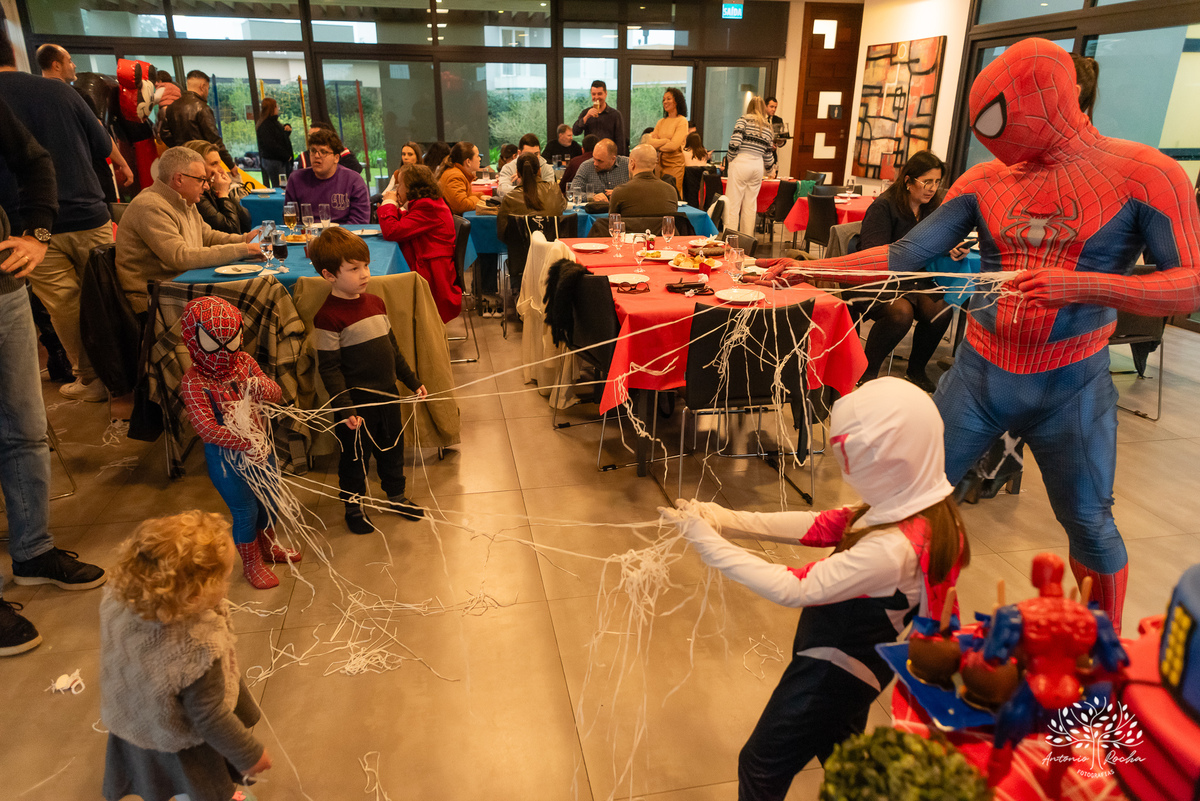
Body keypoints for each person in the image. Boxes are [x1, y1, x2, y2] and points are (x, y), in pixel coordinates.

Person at [758, 38, 1200, 633]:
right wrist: (810, 268)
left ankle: (1103, 665)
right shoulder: (987, 178)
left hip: (1073, 381)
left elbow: (1191, 285)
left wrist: (1083, 287)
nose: (997, 139)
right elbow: (908, 254)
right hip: (982, 371)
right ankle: (872, 635)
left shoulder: (1144, 173)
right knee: (901, 502)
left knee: (1090, 522)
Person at [662, 378, 969, 801]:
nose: (847, 471)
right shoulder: (918, 508)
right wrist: (726, 519)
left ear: (892, 460)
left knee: (761, 763)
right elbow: (820, 524)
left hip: (831, 671)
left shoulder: (895, 549)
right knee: (843, 756)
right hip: (853, 666)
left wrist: (708, 544)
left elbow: (795, 587)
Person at [0, 94, 108, 658]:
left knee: (26, 428)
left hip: (5, 283)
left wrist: (37, 232)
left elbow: (34, 160)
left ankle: (33, 550)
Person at [99, 511, 272, 801]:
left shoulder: (119, 596)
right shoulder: (198, 646)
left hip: (137, 712)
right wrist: (250, 754)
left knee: (164, 774)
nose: (229, 586)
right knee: (196, 778)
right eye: (226, 578)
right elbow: (209, 715)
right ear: (194, 596)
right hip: (177, 732)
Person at [0, 39, 122, 402]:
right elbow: (102, 144)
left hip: (29, 227)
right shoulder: (60, 92)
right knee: (109, 296)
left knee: (64, 306)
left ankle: (92, 379)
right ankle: (129, 376)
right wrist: (125, 164)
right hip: (87, 211)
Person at [178, 297, 301, 589]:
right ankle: (251, 563)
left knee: (270, 502)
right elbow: (206, 429)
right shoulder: (194, 382)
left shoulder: (244, 362)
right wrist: (244, 442)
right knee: (246, 510)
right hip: (227, 461)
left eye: (231, 342)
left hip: (261, 450)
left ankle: (269, 548)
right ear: (193, 340)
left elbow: (275, 393)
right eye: (213, 343)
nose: (223, 352)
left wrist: (260, 385)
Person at [311, 227, 427, 533]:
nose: (364, 274)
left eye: (365, 265)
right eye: (353, 268)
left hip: (387, 396)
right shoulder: (328, 317)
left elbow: (393, 350)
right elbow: (330, 369)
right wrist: (346, 408)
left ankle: (397, 496)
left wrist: (412, 381)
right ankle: (354, 505)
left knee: (392, 449)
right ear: (329, 275)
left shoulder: (376, 303)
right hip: (355, 407)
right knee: (353, 458)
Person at [849, 150, 965, 391]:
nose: (932, 188)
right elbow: (873, 253)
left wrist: (950, 248)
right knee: (901, 313)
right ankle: (867, 372)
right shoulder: (884, 206)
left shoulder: (931, 209)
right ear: (908, 181)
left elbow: (935, 241)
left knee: (941, 311)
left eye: (936, 182)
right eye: (927, 182)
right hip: (876, 278)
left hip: (911, 279)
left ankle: (916, 370)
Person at [116, 146, 261, 315]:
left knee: (259, 287)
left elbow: (207, 236)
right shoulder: (149, 206)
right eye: (201, 179)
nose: (207, 186)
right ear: (179, 179)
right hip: (154, 300)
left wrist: (245, 239)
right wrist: (243, 250)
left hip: (181, 287)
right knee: (256, 293)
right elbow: (181, 257)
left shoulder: (184, 200)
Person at [380, 163, 461, 324]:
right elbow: (404, 225)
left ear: (410, 187)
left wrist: (388, 204)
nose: (396, 189)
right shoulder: (427, 203)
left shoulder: (428, 206)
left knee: (381, 286)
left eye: (399, 184)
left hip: (432, 276)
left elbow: (392, 231)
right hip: (429, 268)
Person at [284, 128, 370, 225]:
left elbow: (359, 221)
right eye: (313, 151)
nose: (317, 155)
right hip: (307, 236)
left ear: (336, 158)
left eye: (323, 152)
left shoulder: (354, 181)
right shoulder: (296, 179)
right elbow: (291, 216)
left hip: (342, 237)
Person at [160, 70, 235, 170]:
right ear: (203, 87)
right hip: (202, 161)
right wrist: (231, 165)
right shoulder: (203, 108)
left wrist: (180, 148)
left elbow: (164, 133)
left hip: (181, 161)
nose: (207, 92)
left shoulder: (172, 107)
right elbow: (214, 140)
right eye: (207, 88)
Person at [724, 96, 776, 233]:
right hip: (757, 165)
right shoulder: (768, 126)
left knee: (733, 206)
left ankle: (730, 241)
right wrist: (771, 170)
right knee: (750, 206)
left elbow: (735, 142)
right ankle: (747, 241)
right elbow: (768, 153)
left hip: (741, 162)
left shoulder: (743, 120)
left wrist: (730, 158)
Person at [182, 140, 251, 235]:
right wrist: (223, 195)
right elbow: (231, 230)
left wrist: (225, 193)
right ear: (197, 166)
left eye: (219, 164)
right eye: (214, 164)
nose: (221, 170)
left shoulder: (212, 188)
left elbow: (246, 223)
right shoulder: (196, 195)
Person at [497, 152, 568, 240]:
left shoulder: (510, 198)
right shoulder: (554, 189)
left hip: (521, 252)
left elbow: (502, 233)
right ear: (539, 170)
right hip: (553, 250)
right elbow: (563, 206)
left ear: (517, 173)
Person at [608, 143, 678, 219]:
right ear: (655, 164)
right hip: (659, 231)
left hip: (630, 230)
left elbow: (612, 224)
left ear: (632, 163)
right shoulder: (671, 191)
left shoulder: (619, 192)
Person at [647, 87, 688, 195]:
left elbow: (673, 146)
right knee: (659, 194)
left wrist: (658, 144)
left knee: (672, 194)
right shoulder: (661, 122)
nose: (665, 102)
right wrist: (665, 140)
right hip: (659, 164)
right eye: (664, 99)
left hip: (674, 165)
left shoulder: (682, 121)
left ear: (676, 101)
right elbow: (649, 142)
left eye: (668, 99)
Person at [572, 80, 627, 156]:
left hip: (608, 156)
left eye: (600, 94)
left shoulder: (615, 114)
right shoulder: (586, 112)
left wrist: (619, 159)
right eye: (594, 94)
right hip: (590, 156)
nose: (596, 97)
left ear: (606, 94)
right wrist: (586, 117)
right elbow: (575, 131)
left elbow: (620, 141)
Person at [570, 138, 630, 203]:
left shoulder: (628, 164)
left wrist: (621, 194)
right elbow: (573, 192)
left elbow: (640, 190)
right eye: (594, 158)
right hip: (595, 211)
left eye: (599, 161)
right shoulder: (586, 166)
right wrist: (592, 197)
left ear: (613, 159)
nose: (595, 163)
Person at [496, 133, 555, 198]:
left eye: (536, 154)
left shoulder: (546, 168)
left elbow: (550, 192)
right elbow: (502, 191)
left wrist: (525, 183)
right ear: (519, 153)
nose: (533, 158)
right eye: (528, 154)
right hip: (516, 206)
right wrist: (529, 187)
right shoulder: (508, 168)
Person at [437, 140, 488, 214]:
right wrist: (478, 200)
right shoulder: (455, 176)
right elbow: (461, 205)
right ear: (468, 162)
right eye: (477, 156)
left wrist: (480, 196)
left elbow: (464, 197)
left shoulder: (456, 172)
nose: (480, 159)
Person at [294, 121, 364, 174]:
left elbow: (357, 170)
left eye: (316, 135)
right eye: (310, 136)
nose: (312, 139)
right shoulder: (304, 157)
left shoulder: (341, 152)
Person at [254, 98, 293, 189]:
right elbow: (271, 145)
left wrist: (286, 131)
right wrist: (286, 156)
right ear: (272, 108)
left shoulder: (271, 123)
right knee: (281, 187)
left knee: (285, 187)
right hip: (275, 161)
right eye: (276, 106)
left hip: (279, 160)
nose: (278, 108)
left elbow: (278, 139)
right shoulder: (266, 125)